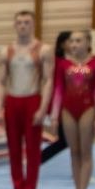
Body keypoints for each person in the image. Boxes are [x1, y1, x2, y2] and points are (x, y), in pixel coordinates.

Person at [0, 10, 53, 189]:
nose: (23, 26)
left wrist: (43, 107)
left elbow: (48, 80)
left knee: (32, 147)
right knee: (13, 148)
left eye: (27, 22)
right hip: (12, 100)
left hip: (32, 99)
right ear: (14, 25)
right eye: (19, 22)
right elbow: (1, 81)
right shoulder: (6, 51)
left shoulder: (43, 50)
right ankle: (17, 188)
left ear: (33, 24)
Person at [49, 30, 95, 189]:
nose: (74, 44)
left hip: (88, 109)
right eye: (72, 41)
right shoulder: (63, 65)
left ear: (88, 43)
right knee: (74, 151)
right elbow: (58, 90)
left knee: (86, 151)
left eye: (78, 41)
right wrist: (54, 116)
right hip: (67, 110)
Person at [41, 31, 73, 164]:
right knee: (65, 140)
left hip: (74, 103)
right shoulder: (56, 62)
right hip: (59, 104)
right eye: (71, 41)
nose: (74, 44)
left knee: (70, 140)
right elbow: (51, 83)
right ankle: (37, 159)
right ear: (62, 44)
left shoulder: (76, 61)